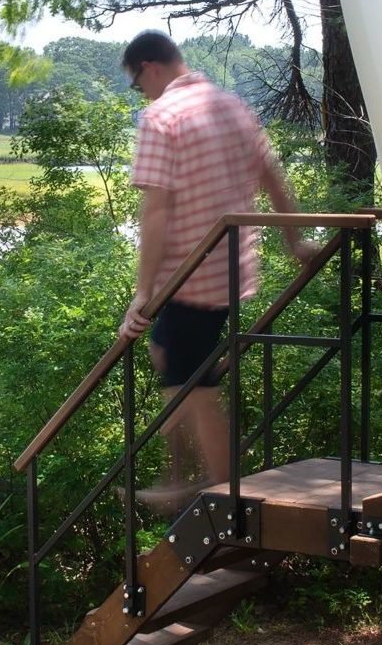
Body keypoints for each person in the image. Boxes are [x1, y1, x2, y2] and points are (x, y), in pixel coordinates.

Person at [118, 31, 318, 511]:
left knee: (196, 389)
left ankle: (220, 496)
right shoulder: (231, 107)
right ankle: (181, 477)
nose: (142, 93)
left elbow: (156, 212)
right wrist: (295, 242)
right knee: (168, 357)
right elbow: (272, 174)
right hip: (229, 272)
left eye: (136, 83)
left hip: (189, 276)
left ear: (149, 68)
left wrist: (142, 293)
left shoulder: (162, 117)